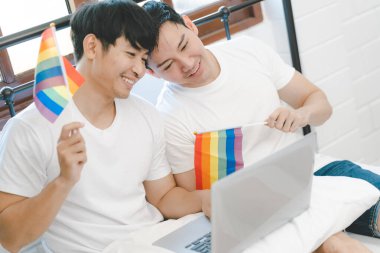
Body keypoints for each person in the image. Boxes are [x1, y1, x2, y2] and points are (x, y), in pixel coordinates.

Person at [142, 1, 380, 252]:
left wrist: (301, 114)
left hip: (314, 173)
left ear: (191, 26)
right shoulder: (170, 117)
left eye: (184, 45)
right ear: (152, 74)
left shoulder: (248, 51)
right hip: (261, 205)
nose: (187, 64)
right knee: (337, 246)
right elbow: (198, 197)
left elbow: (322, 107)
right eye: (168, 65)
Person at [0, 1, 208, 252]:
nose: (139, 70)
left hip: (157, 242)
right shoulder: (29, 129)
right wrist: (64, 181)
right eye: (131, 55)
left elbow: (163, 197)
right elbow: (11, 238)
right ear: (92, 46)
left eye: (143, 59)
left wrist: (211, 199)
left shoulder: (146, 115)